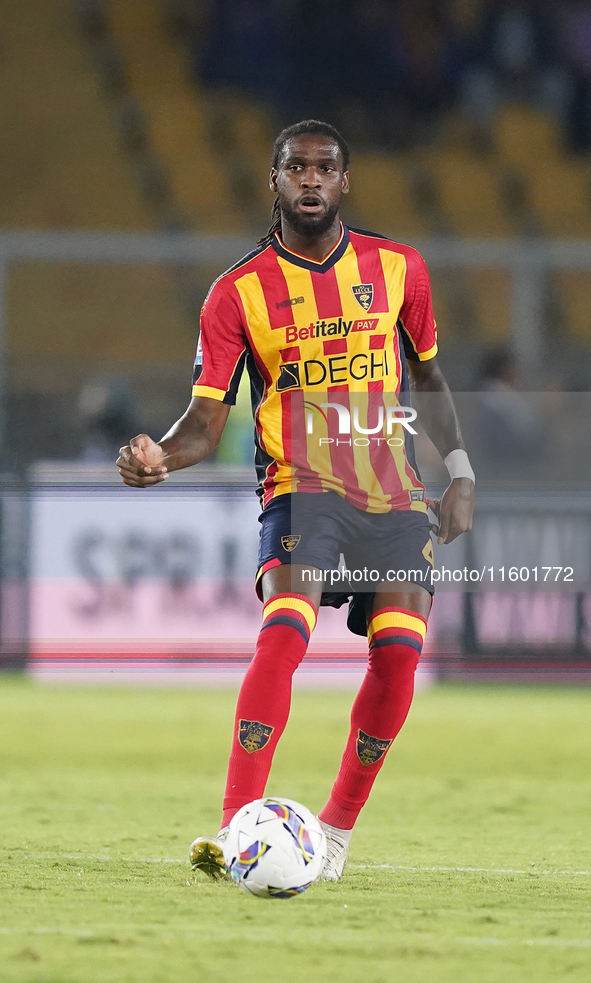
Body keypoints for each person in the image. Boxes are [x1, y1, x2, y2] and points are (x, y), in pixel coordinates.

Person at [116, 119, 475, 881]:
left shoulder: (399, 269)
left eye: (325, 168)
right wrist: (160, 457)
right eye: (295, 168)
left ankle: (336, 830)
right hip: (300, 489)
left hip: (394, 492)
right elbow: (204, 420)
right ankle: (232, 827)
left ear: (344, 182)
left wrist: (461, 470)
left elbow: (431, 379)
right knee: (284, 632)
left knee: (401, 653)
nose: (310, 180)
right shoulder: (235, 293)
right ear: (272, 182)